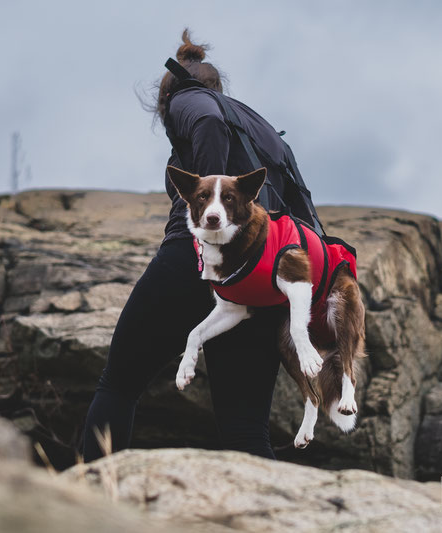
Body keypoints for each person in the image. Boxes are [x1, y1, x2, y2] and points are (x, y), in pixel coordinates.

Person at [82, 30, 296, 461]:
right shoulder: (262, 130)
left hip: (198, 259)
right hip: (260, 277)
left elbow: (208, 123)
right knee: (246, 431)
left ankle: (84, 509)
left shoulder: (189, 102)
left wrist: (211, 210)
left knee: (119, 384)